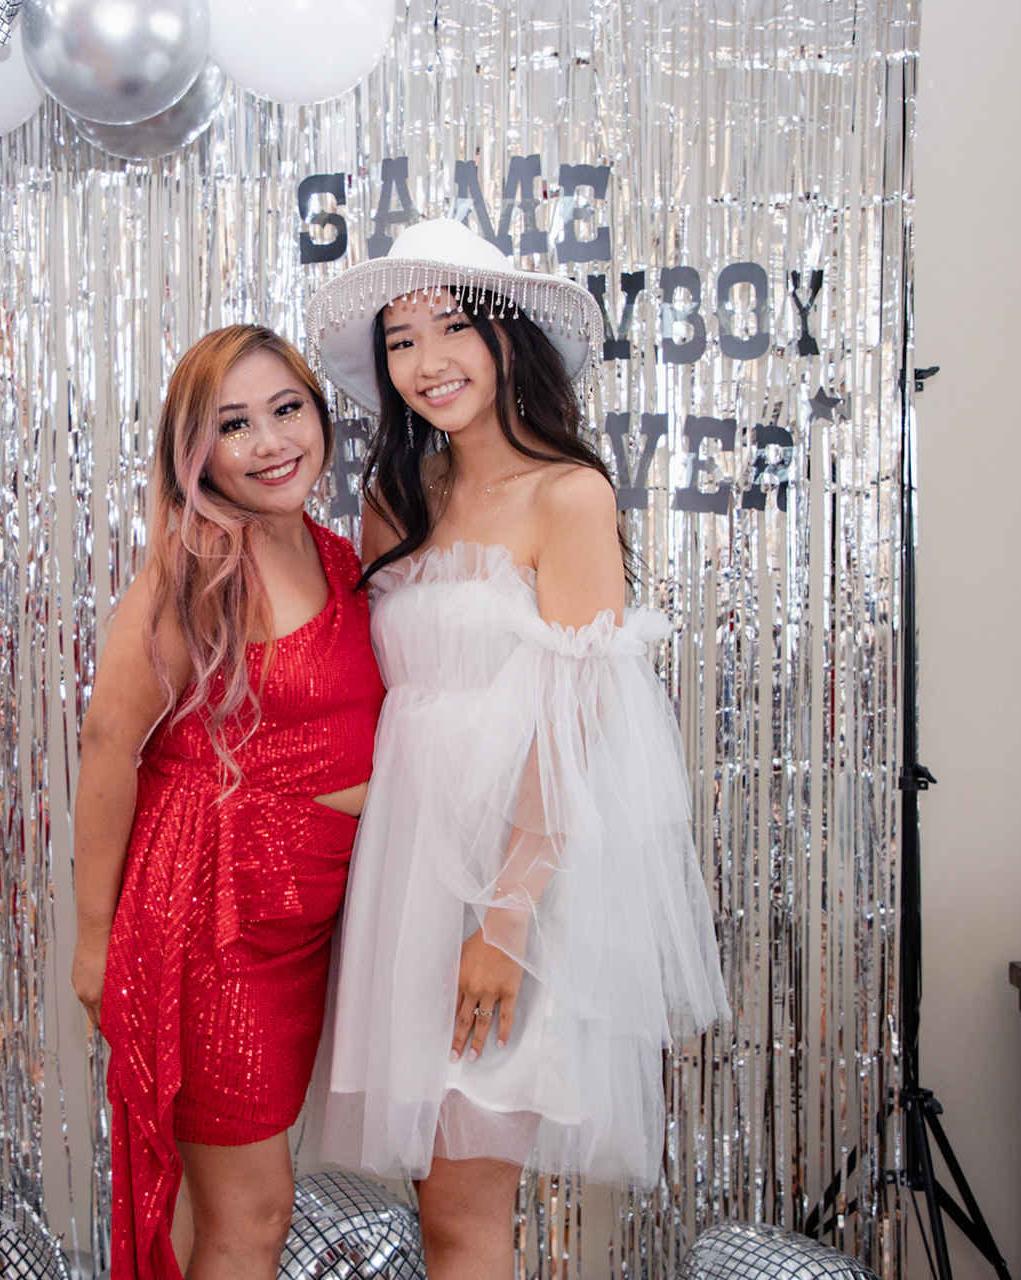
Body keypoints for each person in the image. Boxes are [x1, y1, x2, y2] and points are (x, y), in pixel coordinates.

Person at [306, 219, 729, 1278]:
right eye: (402, 340)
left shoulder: (568, 495)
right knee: (437, 1202)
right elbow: (380, 696)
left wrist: (505, 920)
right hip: (405, 878)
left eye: (453, 327)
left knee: (465, 1210)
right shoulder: (396, 499)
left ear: (509, 338)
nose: (427, 361)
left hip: (511, 883)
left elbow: (576, 723)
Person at [70, 324, 385, 1280]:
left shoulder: (336, 555)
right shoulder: (198, 565)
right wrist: (95, 939)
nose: (270, 442)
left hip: (302, 921)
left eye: (286, 409)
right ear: (196, 452)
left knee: (244, 1207)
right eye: (233, 424)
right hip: (214, 927)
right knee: (252, 1213)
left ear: (320, 415)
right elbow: (109, 742)